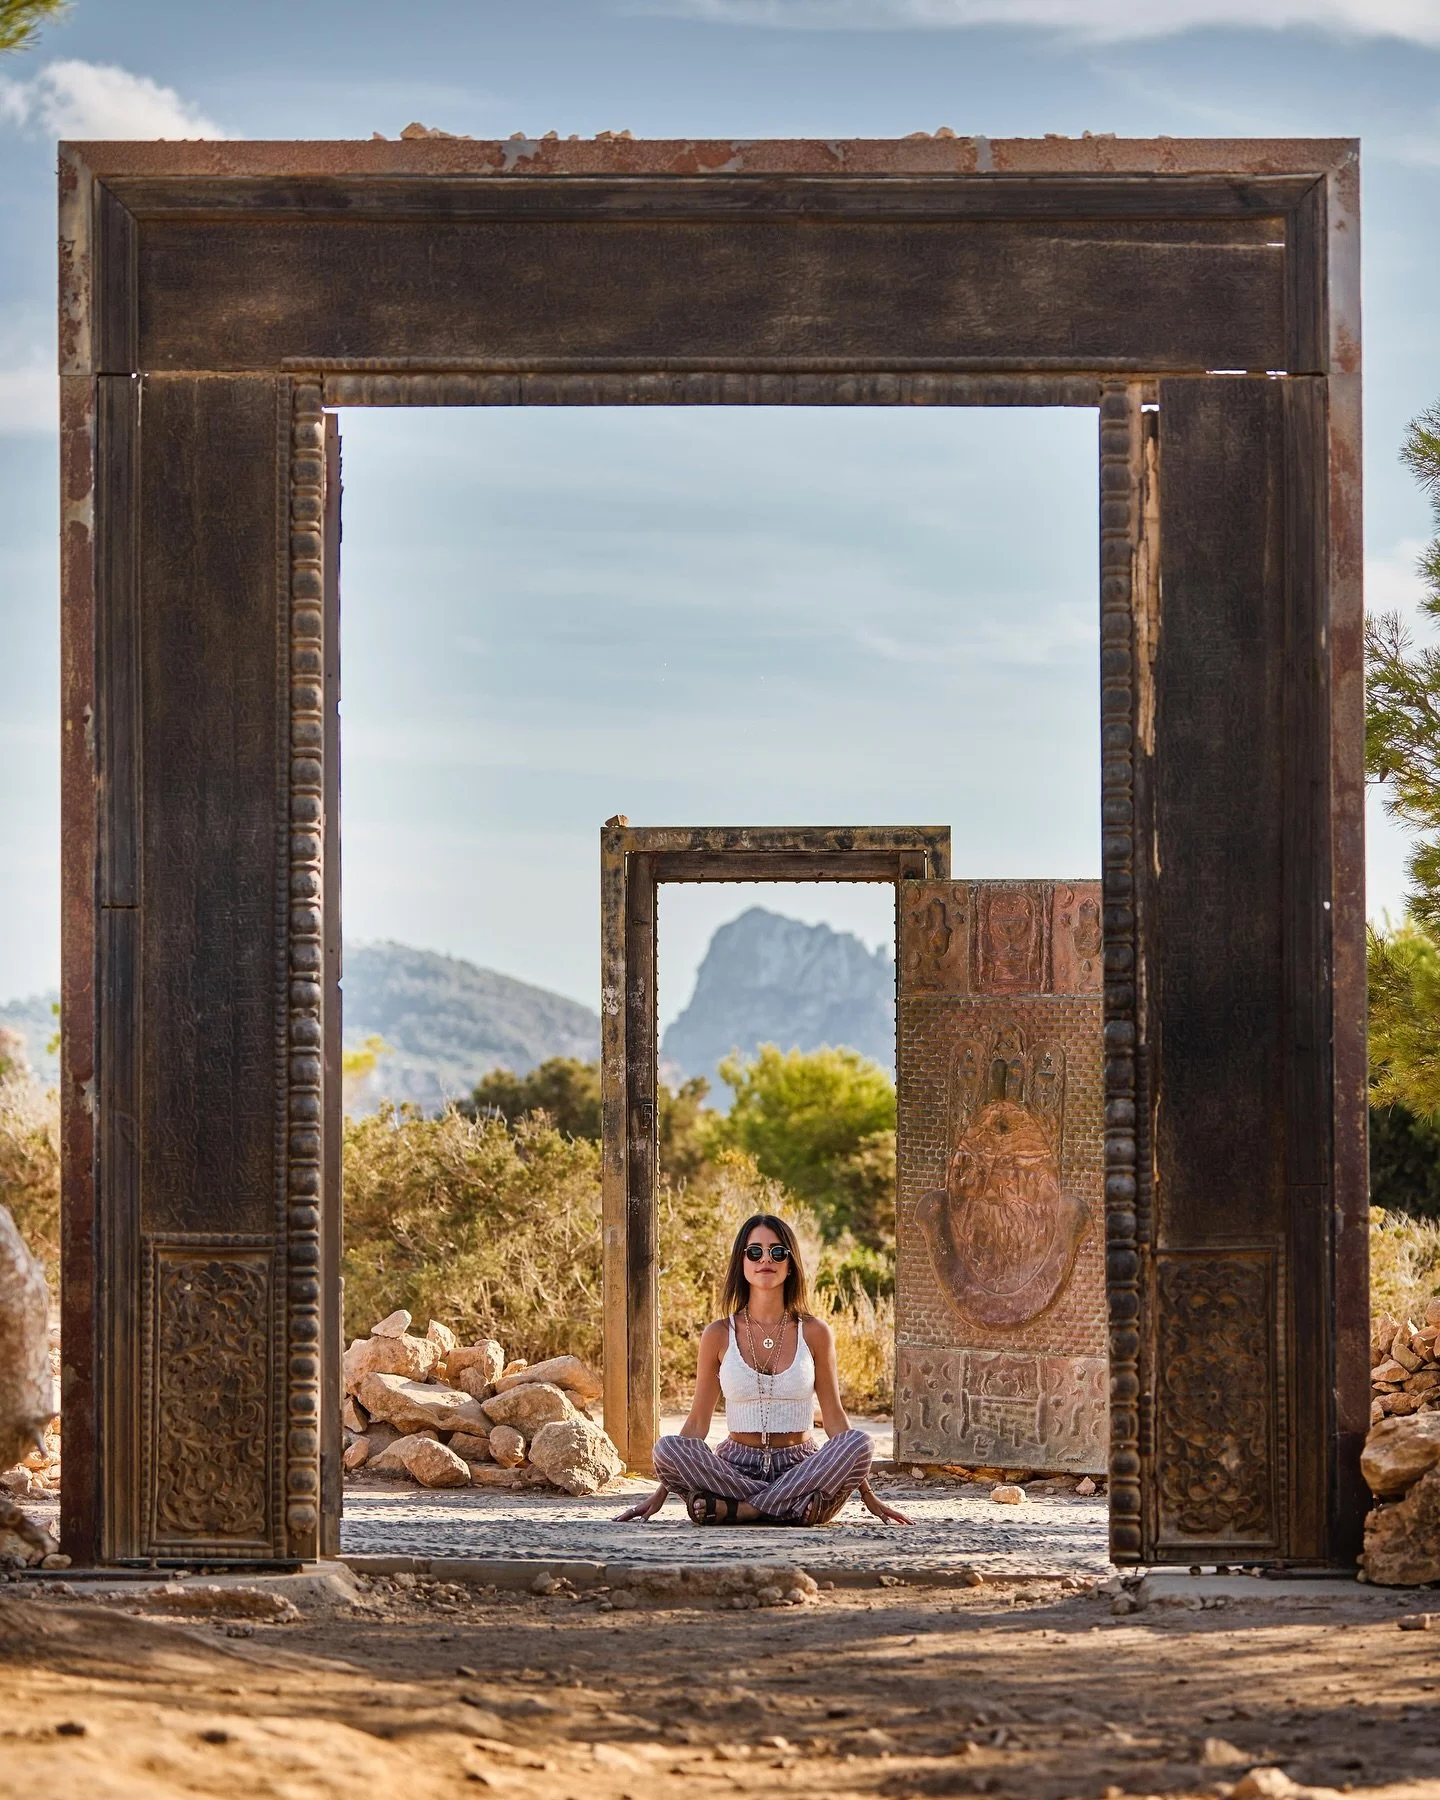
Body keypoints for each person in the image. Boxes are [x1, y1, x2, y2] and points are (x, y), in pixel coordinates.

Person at [614, 1213, 911, 1528]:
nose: (766, 1259)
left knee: (859, 1443)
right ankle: (789, 1508)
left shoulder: (815, 1332)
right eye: (755, 1252)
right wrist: (659, 1494)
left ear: (790, 1264)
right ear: (741, 1262)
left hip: (801, 1468)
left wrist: (868, 1495)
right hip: (735, 1468)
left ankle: (743, 1509)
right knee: (667, 1449)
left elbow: (835, 1420)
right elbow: (698, 1423)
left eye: (777, 1252)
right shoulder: (718, 1334)